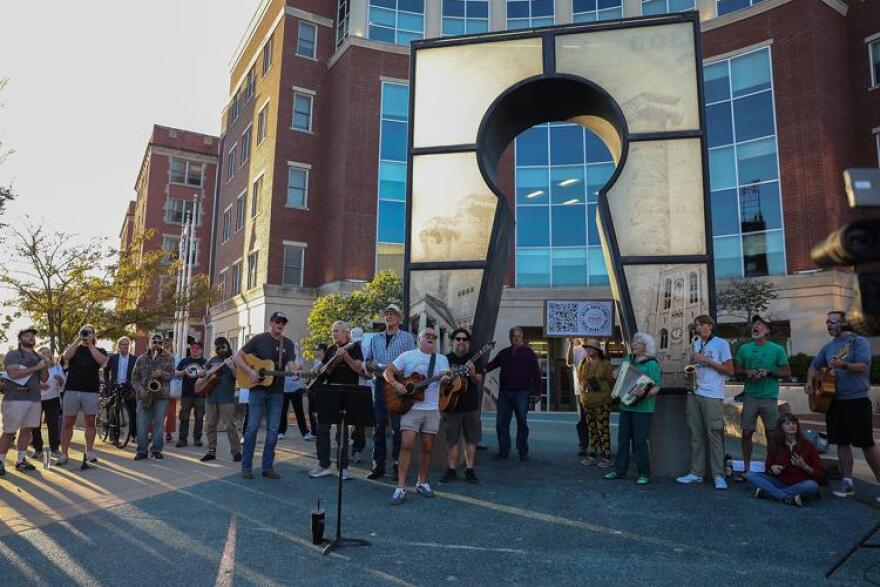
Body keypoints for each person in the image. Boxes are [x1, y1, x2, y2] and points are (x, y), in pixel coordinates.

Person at [806, 310, 880, 501]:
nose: (829, 325)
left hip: (856, 400)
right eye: (827, 322)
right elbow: (814, 365)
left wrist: (844, 365)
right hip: (834, 402)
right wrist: (810, 381)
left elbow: (863, 366)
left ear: (845, 324)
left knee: (866, 444)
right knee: (841, 443)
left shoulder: (857, 342)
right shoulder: (829, 347)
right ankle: (847, 482)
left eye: (833, 322)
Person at [384, 326, 451, 504]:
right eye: (427, 335)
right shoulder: (408, 356)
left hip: (431, 409)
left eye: (434, 337)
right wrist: (397, 385)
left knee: (428, 447)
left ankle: (422, 482)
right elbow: (388, 371)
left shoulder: (442, 359)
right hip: (410, 407)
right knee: (406, 445)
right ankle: (400, 487)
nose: (431, 338)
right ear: (419, 339)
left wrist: (446, 379)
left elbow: (445, 378)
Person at [234, 311, 297, 480]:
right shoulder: (259, 339)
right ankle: (246, 467)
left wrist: (295, 370)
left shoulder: (288, 344)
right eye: (277, 321)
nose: (280, 324)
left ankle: (267, 467)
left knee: (273, 431)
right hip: (257, 390)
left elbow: (290, 363)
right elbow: (238, 356)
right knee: (252, 428)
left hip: (277, 393)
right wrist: (250, 372)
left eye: (283, 322)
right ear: (271, 322)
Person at [676, 315, 734, 490]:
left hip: (712, 394)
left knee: (714, 435)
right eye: (696, 325)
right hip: (695, 392)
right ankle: (696, 473)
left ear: (710, 325)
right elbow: (696, 366)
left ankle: (718, 475)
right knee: (696, 435)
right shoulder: (696, 344)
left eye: (701, 325)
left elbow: (730, 370)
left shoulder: (721, 343)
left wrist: (706, 360)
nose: (698, 328)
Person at [363, 304, 416, 480]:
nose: (389, 316)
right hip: (379, 384)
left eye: (393, 314)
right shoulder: (375, 338)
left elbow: (411, 364)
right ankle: (378, 465)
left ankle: (397, 466)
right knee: (378, 426)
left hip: (398, 386)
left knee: (397, 427)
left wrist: (395, 373)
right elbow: (368, 362)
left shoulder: (407, 338)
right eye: (387, 313)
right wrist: (372, 365)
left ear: (399, 318)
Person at [733, 315, 790, 481]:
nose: (756, 326)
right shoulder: (744, 348)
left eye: (760, 324)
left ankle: (769, 467)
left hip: (769, 396)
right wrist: (747, 373)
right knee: (746, 432)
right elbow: (736, 370)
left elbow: (787, 373)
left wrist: (769, 372)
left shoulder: (777, 349)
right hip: (750, 395)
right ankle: (746, 469)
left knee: (772, 434)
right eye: (754, 323)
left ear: (767, 330)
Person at [308, 321, 364, 480]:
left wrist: (345, 356)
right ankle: (323, 464)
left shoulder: (354, 347)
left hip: (347, 392)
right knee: (322, 428)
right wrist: (318, 369)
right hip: (330, 390)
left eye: (337, 331)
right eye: (332, 331)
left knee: (342, 432)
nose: (333, 334)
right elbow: (325, 370)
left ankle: (343, 467)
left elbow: (358, 369)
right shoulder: (331, 349)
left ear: (346, 333)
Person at [604, 333, 661, 485]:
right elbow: (618, 376)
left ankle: (644, 473)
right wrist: (615, 373)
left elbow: (657, 386)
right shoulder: (628, 360)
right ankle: (619, 470)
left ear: (646, 346)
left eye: (638, 343)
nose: (634, 345)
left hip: (643, 408)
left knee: (640, 442)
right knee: (622, 439)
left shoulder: (651, 364)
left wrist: (646, 392)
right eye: (634, 342)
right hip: (626, 405)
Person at [485, 326, 542, 462]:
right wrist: (478, 369)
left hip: (523, 392)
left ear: (522, 337)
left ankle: (523, 451)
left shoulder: (529, 353)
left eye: (518, 336)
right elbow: (491, 365)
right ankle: (503, 451)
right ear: (510, 337)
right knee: (501, 423)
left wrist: (538, 392)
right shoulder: (504, 353)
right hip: (505, 393)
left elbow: (536, 374)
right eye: (513, 336)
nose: (515, 338)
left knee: (522, 422)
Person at [746, 413, 823, 506]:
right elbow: (768, 469)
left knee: (812, 486)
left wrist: (804, 466)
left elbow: (820, 474)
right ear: (781, 427)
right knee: (750, 475)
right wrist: (772, 469)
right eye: (787, 423)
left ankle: (769, 493)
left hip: (801, 483)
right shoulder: (775, 445)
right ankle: (786, 497)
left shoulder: (807, 445)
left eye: (794, 423)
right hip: (780, 482)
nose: (792, 426)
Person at [0, 327, 48, 475]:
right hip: (15, 399)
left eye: (33, 335)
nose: (31, 337)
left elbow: (45, 378)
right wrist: (36, 367)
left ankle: (21, 460)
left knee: (27, 430)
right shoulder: (13, 354)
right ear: (20, 339)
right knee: (9, 431)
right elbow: (13, 374)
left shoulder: (39, 357)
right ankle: (0, 461)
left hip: (34, 399)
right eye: (27, 335)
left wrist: (45, 365)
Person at [59, 324, 108, 465]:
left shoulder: (100, 350)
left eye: (89, 332)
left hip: (91, 391)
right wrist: (77, 339)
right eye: (84, 332)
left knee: (90, 423)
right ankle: (64, 453)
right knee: (68, 423)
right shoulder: (75, 348)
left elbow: (101, 361)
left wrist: (90, 343)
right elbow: (66, 357)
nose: (86, 334)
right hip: (72, 390)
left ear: (94, 335)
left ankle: (89, 451)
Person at [440, 327, 483, 484]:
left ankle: (470, 470)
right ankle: (451, 469)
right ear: (453, 341)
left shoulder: (474, 358)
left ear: (468, 343)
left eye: (464, 339)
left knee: (471, 440)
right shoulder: (445, 359)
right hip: (452, 406)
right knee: (452, 440)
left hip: (470, 405)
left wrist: (471, 374)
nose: (461, 342)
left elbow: (478, 380)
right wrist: (445, 381)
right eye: (458, 339)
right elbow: (441, 380)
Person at [131, 333, 176, 460]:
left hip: (161, 395)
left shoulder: (168, 357)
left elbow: (172, 374)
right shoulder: (141, 358)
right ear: (149, 343)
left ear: (162, 344)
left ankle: (156, 450)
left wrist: (161, 373)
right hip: (144, 395)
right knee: (142, 424)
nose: (156, 345)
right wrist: (140, 390)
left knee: (159, 425)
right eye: (154, 342)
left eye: (159, 343)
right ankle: (141, 451)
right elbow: (134, 378)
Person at [200, 337, 242, 463]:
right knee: (210, 426)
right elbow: (202, 371)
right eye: (217, 347)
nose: (220, 349)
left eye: (223, 346)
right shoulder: (212, 360)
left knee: (230, 426)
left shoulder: (234, 359)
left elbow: (239, 378)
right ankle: (211, 451)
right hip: (211, 398)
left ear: (228, 346)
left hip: (226, 399)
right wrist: (203, 373)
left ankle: (236, 452)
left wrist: (232, 367)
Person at [576, 339, 613, 468]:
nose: (587, 350)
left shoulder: (605, 363)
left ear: (597, 350)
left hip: (602, 400)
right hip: (587, 401)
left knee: (603, 428)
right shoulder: (583, 362)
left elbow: (610, 380)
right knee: (592, 429)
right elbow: (580, 380)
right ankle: (592, 454)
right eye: (586, 348)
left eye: (590, 348)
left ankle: (606, 456)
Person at [30, 347, 64, 458]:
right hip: (36, 399)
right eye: (42, 352)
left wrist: (60, 380)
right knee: (35, 425)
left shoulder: (57, 366)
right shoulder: (34, 367)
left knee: (53, 424)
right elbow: (28, 382)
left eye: (47, 352)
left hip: (53, 399)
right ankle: (38, 449)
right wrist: (39, 385)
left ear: (50, 355)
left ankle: (54, 448)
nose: (45, 354)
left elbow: (63, 383)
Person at [105, 337, 138, 441]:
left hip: (128, 388)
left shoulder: (134, 359)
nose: (126, 346)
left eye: (127, 344)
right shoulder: (113, 358)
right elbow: (106, 370)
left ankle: (134, 434)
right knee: (113, 410)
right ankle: (113, 434)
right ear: (119, 346)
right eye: (123, 344)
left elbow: (137, 374)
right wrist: (107, 383)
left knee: (132, 411)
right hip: (115, 387)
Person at [175, 342, 207, 448]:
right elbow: (175, 373)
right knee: (184, 417)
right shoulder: (184, 361)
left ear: (201, 351)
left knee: (199, 417)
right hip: (186, 394)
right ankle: (182, 439)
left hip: (200, 393)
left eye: (197, 348)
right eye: (192, 348)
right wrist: (183, 372)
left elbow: (209, 375)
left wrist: (204, 374)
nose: (194, 350)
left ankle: (197, 439)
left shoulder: (205, 362)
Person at [279, 350, 316, 441]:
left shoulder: (299, 358)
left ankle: (305, 432)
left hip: (296, 388)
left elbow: (300, 369)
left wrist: (296, 370)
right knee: (283, 411)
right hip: (284, 388)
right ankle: (281, 431)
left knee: (299, 411)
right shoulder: (283, 359)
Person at [566, 337, 590, 456]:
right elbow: (569, 362)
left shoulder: (598, 347)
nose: (583, 336)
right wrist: (570, 344)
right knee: (582, 419)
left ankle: (599, 445)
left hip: (597, 391)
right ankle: (583, 445)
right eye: (581, 335)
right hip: (580, 390)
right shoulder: (575, 349)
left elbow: (605, 361)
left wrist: (605, 344)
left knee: (597, 418)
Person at [162, 338, 178, 443]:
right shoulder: (158, 357)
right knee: (157, 412)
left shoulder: (176, 358)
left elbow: (178, 372)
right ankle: (152, 431)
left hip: (171, 387)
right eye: (166, 345)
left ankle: (168, 432)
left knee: (171, 412)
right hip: (160, 387)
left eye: (169, 345)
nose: (168, 347)